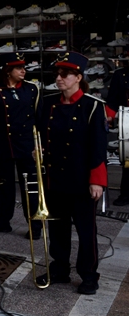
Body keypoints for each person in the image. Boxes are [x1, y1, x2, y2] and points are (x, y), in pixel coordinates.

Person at [37, 52, 107, 295]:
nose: (59, 78)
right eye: (57, 74)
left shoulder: (92, 106)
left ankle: (89, 275)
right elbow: (40, 135)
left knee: (86, 231)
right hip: (55, 178)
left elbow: (99, 146)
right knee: (58, 228)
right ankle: (60, 270)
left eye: (65, 74)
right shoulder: (48, 103)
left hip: (81, 180)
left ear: (78, 77)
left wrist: (97, 181)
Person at [0, 52, 41, 237]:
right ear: (7, 70)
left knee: (29, 186)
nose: (23, 70)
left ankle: (34, 225)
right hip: (2, 144)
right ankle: (3, 221)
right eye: (18, 67)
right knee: (4, 186)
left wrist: (38, 145)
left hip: (26, 145)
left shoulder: (32, 89)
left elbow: (39, 118)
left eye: (23, 67)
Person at [105, 59, 129, 206]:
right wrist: (109, 117)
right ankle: (126, 194)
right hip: (127, 120)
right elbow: (112, 100)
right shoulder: (121, 75)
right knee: (128, 161)